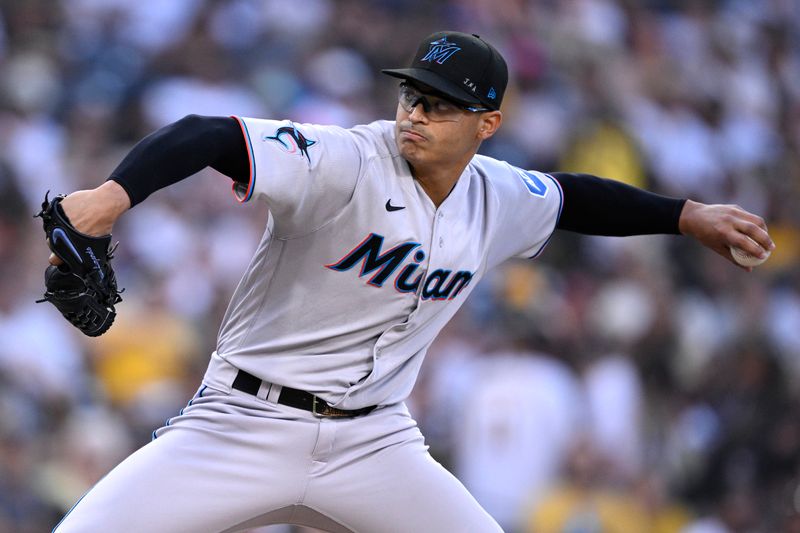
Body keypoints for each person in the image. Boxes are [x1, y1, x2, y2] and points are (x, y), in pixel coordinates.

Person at [50, 31, 773, 533]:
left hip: (376, 443)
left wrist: (685, 215)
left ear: (488, 122)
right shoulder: (345, 159)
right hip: (243, 422)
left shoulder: (498, 195)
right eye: (411, 95)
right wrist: (109, 198)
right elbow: (209, 134)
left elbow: (574, 196)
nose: (415, 113)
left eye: (440, 103)